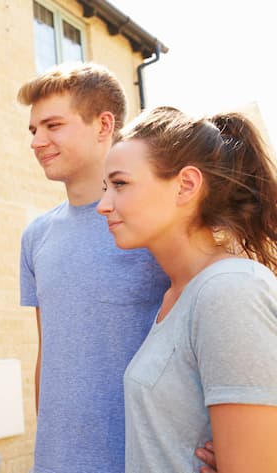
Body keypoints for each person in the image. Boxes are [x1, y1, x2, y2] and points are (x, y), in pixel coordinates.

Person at [16, 63, 216, 473]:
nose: (37, 141)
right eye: (33, 130)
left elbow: (223, 335)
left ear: (103, 124)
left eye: (52, 125)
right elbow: (49, 353)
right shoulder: (35, 237)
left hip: (151, 459)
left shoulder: (157, 222)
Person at [97, 106, 277, 473]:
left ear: (186, 185)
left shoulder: (229, 291)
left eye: (120, 184)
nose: (103, 205)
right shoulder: (177, 295)